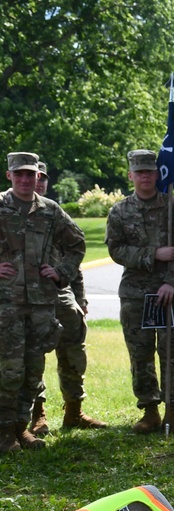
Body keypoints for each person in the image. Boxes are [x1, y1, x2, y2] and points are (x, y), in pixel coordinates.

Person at [105, 149, 174, 436]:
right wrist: (153, 253)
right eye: (139, 172)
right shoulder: (120, 211)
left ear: (158, 174)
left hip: (172, 293)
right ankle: (150, 411)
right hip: (136, 294)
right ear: (131, 175)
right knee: (141, 354)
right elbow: (116, 249)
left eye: (150, 171)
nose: (145, 176)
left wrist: (172, 281)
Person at [0, 152, 86, 454]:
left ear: (39, 177)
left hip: (41, 305)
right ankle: (3, 435)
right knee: (9, 372)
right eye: (19, 174)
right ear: (9, 175)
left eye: (31, 174)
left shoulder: (50, 210)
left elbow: (77, 243)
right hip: (6, 304)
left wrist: (61, 272)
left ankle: (21, 429)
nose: (25, 180)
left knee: (33, 371)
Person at [27, 161, 107, 434]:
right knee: (32, 355)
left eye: (41, 178)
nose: (37, 182)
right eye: (29, 176)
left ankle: (74, 411)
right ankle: (37, 414)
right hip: (21, 296)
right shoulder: (10, 209)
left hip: (58, 293)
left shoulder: (53, 212)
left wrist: (80, 298)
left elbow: (75, 259)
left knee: (73, 351)